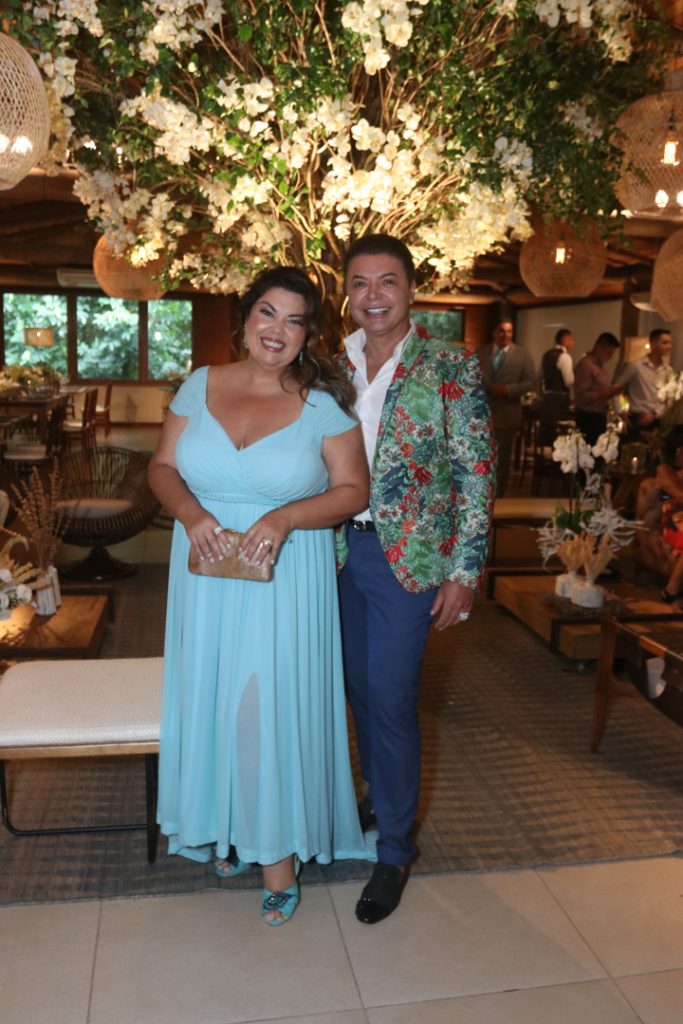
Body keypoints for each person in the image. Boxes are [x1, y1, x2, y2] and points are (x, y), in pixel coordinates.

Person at [148, 266, 376, 926]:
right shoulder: (199, 385)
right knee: (212, 702)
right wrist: (192, 513)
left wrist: (283, 518)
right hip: (204, 572)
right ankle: (227, 828)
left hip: (284, 576)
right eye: (267, 313)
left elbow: (353, 491)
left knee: (263, 709)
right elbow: (161, 467)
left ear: (308, 334)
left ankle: (276, 855)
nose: (277, 330)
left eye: (294, 320)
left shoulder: (322, 405)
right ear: (245, 317)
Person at [336, 234, 495, 924]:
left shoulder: (449, 365)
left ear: (410, 290)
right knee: (356, 688)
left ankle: (395, 851)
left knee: (391, 696)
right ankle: (378, 791)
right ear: (347, 292)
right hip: (332, 550)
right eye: (360, 283)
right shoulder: (329, 366)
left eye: (387, 281)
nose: (373, 295)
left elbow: (476, 473)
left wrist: (465, 571)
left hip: (410, 557)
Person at [478, 317, 536, 497]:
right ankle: (480, 495)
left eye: (509, 331)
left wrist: (508, 389)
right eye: (501, 331)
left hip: (507, 414)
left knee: (502, 460)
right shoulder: (481, 352)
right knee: (481, 458)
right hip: (482, 415)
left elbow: (531, 382)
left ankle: (498, 497)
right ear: (494, 333)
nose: (505, 335)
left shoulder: (523, 355)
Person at [614, 328, 673, 441]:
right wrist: (620, 411)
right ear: (653, 344)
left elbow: (669, 398)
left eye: (670, 343)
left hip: (658, 420)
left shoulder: (668, 371)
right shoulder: (636, 366)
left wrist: (654, 414)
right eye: (665, 343)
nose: (669, 347)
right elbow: (616, 388)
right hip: (638, 418)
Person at [573, 331, 622, 445]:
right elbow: (581, 395)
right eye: (609, 353)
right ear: (600, 348)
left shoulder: (601, 367)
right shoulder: (586, 365)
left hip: (599, 416)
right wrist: (605, 393)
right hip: (587, 418)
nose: (610, 357)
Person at [655, 425, 683, 604]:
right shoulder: (666, 469)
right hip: (674, 519)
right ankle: (672, 590)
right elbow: (679, 495)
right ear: (679, 450)